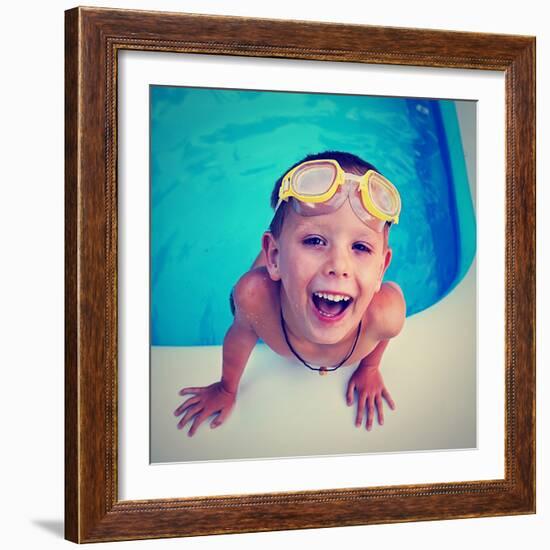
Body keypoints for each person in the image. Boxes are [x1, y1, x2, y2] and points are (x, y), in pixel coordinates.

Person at [174, 151, 406, 436]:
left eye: (360, 247)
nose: (339, 266)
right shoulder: (257, 301)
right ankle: (275, 256)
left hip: (296, 275)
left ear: (381, 269)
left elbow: (382, 337)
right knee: (242, 298)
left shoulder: (386, 315)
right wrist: (226, 388)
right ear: (274, 254)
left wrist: (369, 368)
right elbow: (241, 334)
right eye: (315, 240)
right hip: (269, 283)